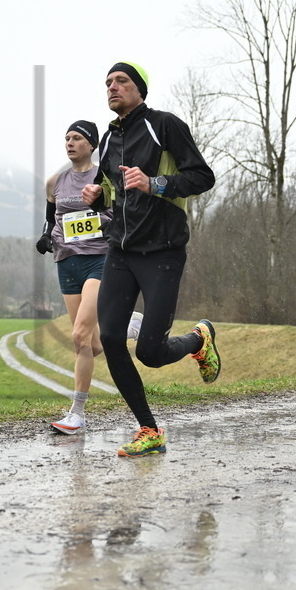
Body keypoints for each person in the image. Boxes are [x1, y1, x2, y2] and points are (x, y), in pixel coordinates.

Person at [81, 61, 220, 457]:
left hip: (162, 250)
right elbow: (112, 192)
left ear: (139, 89)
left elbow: (202, 177)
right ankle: (148, 429)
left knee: (150, 353)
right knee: (110, 338)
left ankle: (198, 339)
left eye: (121, 81)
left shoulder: (164, 125)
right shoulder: (108, 139)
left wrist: (155, 183)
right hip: (121, 251)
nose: (112, 87)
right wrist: (97, 198)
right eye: (108, 82)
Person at [36, 120, 142, 435]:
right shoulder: (54, 182)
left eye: (77, 138)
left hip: (100, 260)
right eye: (67, 138)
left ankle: (77, 414)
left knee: (79, 336)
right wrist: (46, 236)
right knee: (92, 345)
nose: (70, 143)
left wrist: (109, 227)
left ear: (92, 144)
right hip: (67, 263)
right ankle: (128, 326)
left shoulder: (105, 179)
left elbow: (121, 214)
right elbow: (51, 217)